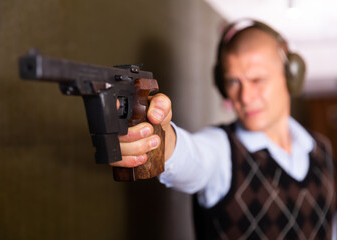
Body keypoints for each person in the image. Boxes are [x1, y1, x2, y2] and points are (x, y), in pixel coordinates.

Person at [112, 19, 336, 239]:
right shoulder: (222, 149)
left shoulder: (321, 149)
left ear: (290, 77)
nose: (245, 97)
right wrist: (159, 138)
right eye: (233, 82)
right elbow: (190, 155)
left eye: (257, 79)